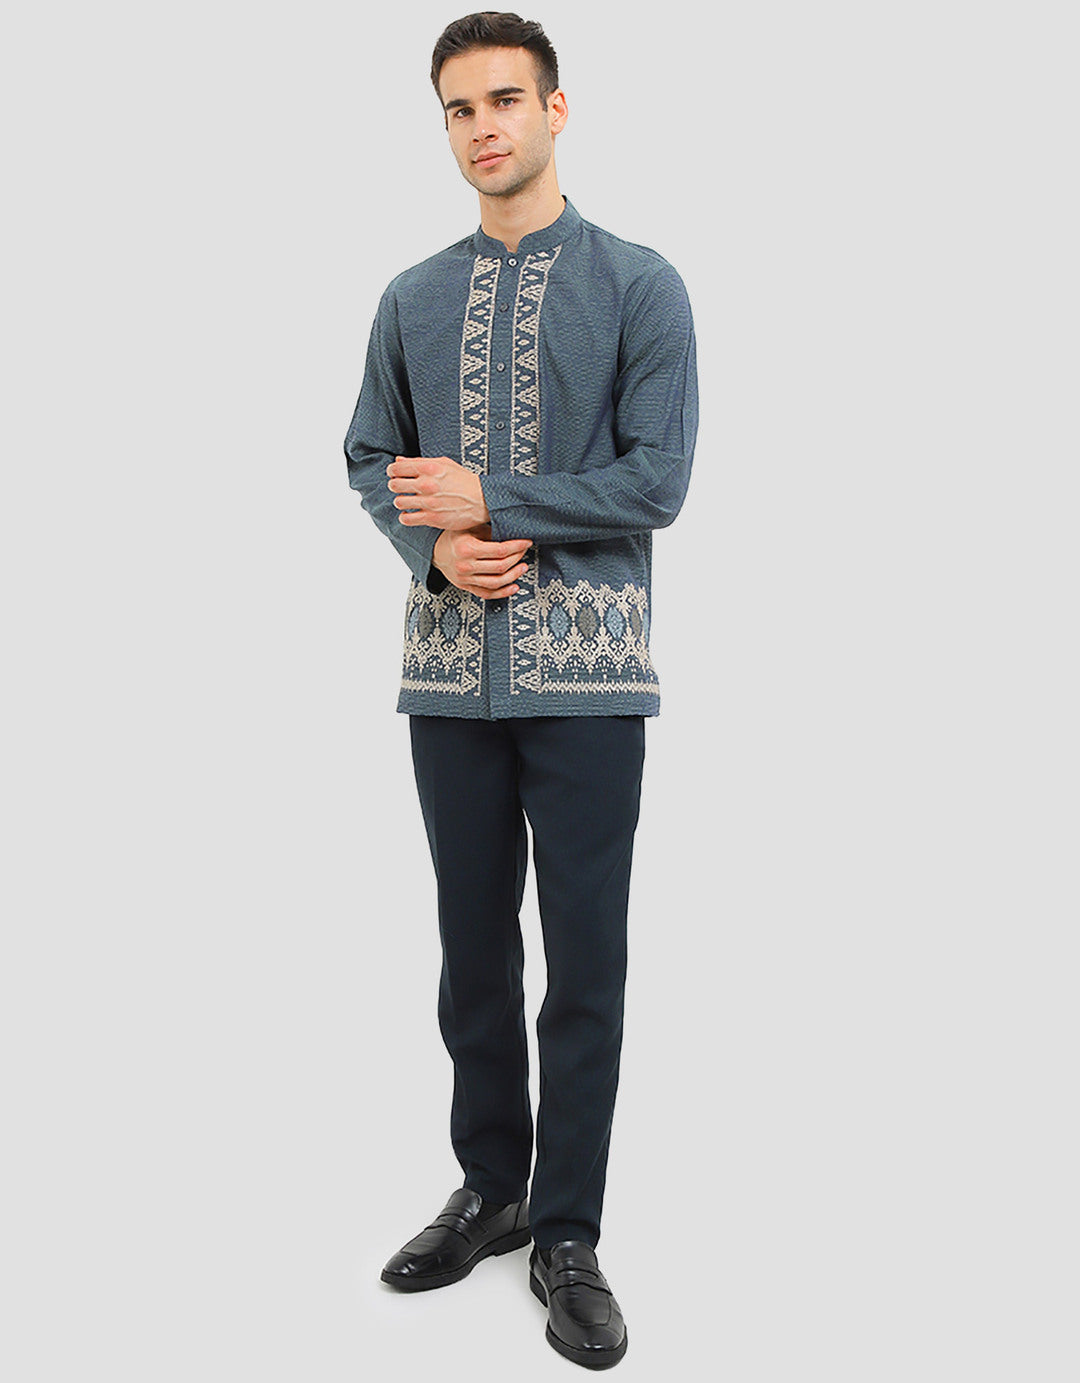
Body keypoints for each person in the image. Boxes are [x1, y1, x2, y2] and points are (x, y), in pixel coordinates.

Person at [344, 11, 697, 1370]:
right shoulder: (409, 299)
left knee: (585, 964)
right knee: (472, 954)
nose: (482, 126)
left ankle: (568, 1233)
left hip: (592, 676)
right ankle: (491, 1188)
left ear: (557, 108)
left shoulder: (641, 285)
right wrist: (427, 545)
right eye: (458, 108)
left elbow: (656, 480)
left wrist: (496, 498)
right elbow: (370, 455)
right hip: (447, 676)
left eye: (504, 99)